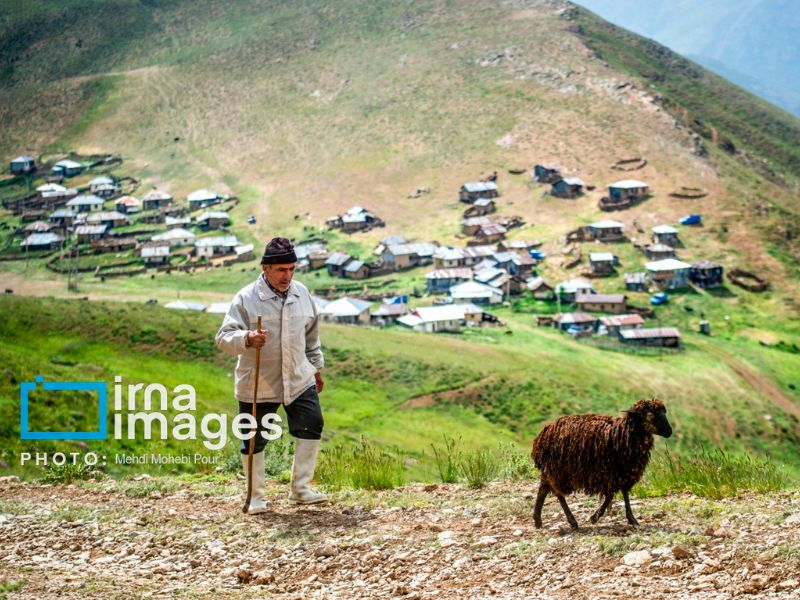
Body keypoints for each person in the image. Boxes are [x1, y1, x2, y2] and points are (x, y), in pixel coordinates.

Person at [215, 237, 327, 514]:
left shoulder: (302, 293)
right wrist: (247, 337)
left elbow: (311, 336)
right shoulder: (246, 298)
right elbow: (223, 337)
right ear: (265, 268)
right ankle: (255, 498)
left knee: (312, 423)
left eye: (291, 269)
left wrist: (317, 368)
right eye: (281, 270)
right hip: (259, 380)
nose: (287, 275)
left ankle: (300, 490)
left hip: (299, 377)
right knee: (254, 438)